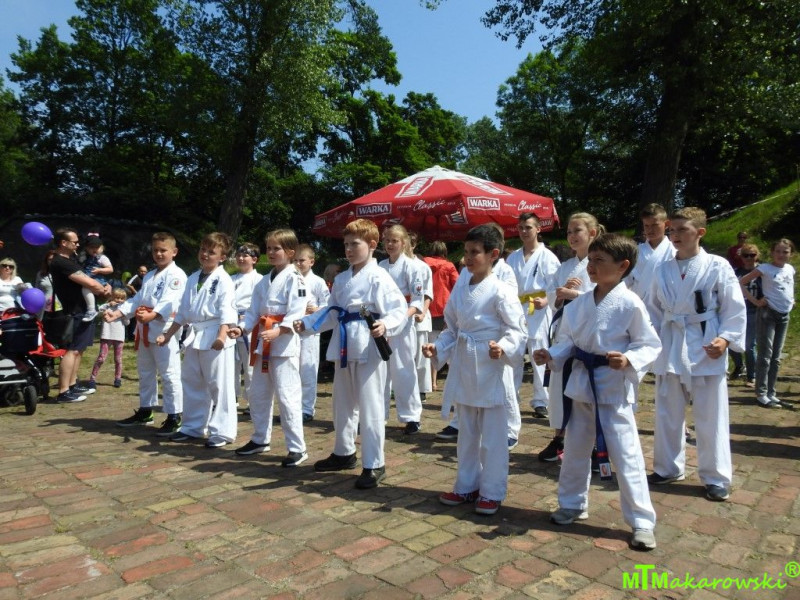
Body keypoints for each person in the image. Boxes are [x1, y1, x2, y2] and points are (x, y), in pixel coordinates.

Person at [534, 234, 661, 550]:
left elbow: (648, 343)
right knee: (575, 450)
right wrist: (551, 354)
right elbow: (567, 341)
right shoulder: (579, 304)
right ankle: (572, 503)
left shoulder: (630, 303)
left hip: (612, 388)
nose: (591, 266)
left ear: (622, 266)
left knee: (626, 455)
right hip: (581, 385)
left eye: (599, 260)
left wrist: (629, 359)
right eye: (590, 260)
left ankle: (642, 521)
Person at [294, 218, 407, 489]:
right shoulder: (342, 279)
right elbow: (332, 312)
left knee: (370, 405)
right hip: (344, 343)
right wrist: (307, 324)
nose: (349, 249)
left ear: (372, 244)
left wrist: (386, 324)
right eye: (346, 244)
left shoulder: (379, 276)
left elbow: (399, 309)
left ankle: (374, 463)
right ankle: (344, 451)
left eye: (354, 244)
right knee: (342, 403)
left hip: (369, 343)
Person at [423, 224, 527, 516]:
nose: (468, 258)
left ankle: (492, 491)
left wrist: (503, 347)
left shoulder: (502, 290)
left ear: (493, 254)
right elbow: (452, 328)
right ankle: (466, 485)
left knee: (493, 437)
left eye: (475, 252)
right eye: (466, 252)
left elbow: (517, 330)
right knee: (467, 434)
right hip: (465, 366)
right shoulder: (461, 288)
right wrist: (437, 347)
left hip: (491, 365)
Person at [648, 207, 745, 502]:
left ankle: (715, 476)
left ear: (700, 232)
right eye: (672, 230)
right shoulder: (662, 268)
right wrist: (650, 342)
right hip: (671, 342)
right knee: (667, 412)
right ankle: (668, 467)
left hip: (705, 344)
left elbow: (733, 306)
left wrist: (725, 339)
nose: (675, 235)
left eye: (682, 230)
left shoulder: (717, 265)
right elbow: (653, 309)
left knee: (710, 415)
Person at [229, 230, 308, 466]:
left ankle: (297, 448)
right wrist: (242, 328)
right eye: (269, 248)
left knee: (287, 396)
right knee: (258, 394)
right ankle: (260, 439)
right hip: (263, 343)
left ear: (290, 252)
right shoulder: (264, 281)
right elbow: (253, 311)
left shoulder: (296, 279)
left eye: (277, 248)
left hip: (284, 346)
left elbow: (297, 311)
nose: (271, 252)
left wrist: (280, 330)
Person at [157, 232, 238, 448]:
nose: (205, 255)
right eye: (203, 250)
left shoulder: (224, 279)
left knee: (219, 385)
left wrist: (222, 336)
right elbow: (183, 312)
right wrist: (168, 334)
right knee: (192, 381)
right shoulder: (193, 278)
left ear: (222, 257)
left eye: (212, 252)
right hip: (195, 335)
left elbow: (227, 311)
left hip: (215, 334)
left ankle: (222, 432)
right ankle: (192, 427)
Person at [537, 213, 602, 462]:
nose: (572, 236)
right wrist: (561, 293)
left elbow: (606, 297)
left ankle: (595, 444)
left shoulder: (602, 262)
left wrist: (574, 294)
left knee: (586, 389)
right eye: (569, 232)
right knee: (559, 388)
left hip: (589, 334)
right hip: (565, 332)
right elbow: (552, 297)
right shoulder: (565, 266)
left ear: (592, 233)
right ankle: (559, 438)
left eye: (577, 231)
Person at [108, 232, 187, 433]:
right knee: (145, 372)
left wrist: (153, 315)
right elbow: (137, 300)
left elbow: (170, 300)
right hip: (145, 329)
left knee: (169, 373)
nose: (159, 254)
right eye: (155, 250)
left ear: (174, 252)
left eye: (163, 250)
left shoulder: (177, 275)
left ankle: (174, 415)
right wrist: (118, 312)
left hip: (165, 329)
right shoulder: (150, 275)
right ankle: (146, 410)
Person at [506, 212, 560, 420]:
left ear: (538, 229)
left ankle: (541, 400)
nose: (524, 231)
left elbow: (555, 285)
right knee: (514, 353)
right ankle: (511, 397)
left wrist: (546, 300)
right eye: (520, 228)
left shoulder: (548, 257)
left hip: (538, 309)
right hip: (516, 308)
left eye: (528, 227)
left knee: (539, 352)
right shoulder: (513, 257)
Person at [50, 228, 112, 403]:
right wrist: (102, 289)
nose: (78, 245)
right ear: (63, 243)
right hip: (75, 311)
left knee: (80, 349)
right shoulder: (61, 262)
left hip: (84, 310)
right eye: (75, 242)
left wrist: (106, 285)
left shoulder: (73, 259)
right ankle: (63, 391)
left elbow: (95, 280)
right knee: (72, 350)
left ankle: (72, 385)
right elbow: (89, 282)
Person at [379, 225, 424, 434]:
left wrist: (402, 317)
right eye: (387, 240)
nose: (390, 244)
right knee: (380, 371)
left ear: (403, 243)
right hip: (381, 322)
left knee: (404, 369)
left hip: (403, 324)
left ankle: (411, 416)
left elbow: (417, 300)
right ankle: (378, 415)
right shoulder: (380, 266)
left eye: (394, 240)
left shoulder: (412, 266)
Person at [739, 238, 795, 407]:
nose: (781, 255)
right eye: (777, 251)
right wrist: (756, 302)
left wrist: (791, 300)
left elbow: (788, 287)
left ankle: (772, 392)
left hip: (784, 315)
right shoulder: (765, 268)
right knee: (765, 355)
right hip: (767, 314)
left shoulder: (790, 269)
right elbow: (741, 282)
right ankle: (761, 393)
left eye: (785, 252)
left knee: (776, 357)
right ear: (772, 253)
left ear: (791, 254)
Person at [293, 244, 330, 422]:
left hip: (310, 331)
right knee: (292, 370)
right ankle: (293, 408)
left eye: (302, 260)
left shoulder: (318, 282)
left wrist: (316, 310)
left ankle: (307, 408)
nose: (298, 264)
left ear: (311, 262)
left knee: (308, 369)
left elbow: (328, 305)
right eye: (295, 260)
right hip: (291, 329)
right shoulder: (291, 279)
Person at [625, 203, 675, 314]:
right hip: (639, 308)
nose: (650, 230)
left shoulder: (674, 251)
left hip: (667, 309)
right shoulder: (635, 252)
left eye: (654, 225)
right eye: (646, 226)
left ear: (666, 224)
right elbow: (625, 281)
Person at [423, 241, 458, 396]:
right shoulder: (449, 266)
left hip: (427, 308)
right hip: (445, 308)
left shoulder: (423, 264)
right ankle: (452, 379)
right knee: (449, 344)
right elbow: (457, 286)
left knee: (430, 345)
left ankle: (432, 381)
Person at [230, 243, 263, 411]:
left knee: (250, 366)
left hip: (249, 325)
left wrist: (246, 318)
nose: (241, 258)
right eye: (239, 255)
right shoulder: (230, 279)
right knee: (231, 365)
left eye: (245, 256)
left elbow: (259, 304)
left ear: (254, 259)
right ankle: (231, 397)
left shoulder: (259, 280)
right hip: (231, 324)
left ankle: (252, 400)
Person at [730, 243, 762, 385]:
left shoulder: (762, 272)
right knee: (731, 341)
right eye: (745, 255)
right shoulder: (736, 272)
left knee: (749, 345)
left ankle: (751, 375)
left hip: (754, 311)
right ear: (741, 257)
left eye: (752, 255)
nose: (749, 258)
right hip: (737, 311)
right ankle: (739, 365)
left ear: (757, 256)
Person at [408, 232, 434, 403]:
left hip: (418, 315)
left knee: (420, 355)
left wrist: (423, 312)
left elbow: (427, 293)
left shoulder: (422, 266)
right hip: (399, 315)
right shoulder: (387, 265)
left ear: (413, 245)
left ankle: (422, 388)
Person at [88, 288, 129, 389]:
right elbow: (99, 311)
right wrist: (108, 305)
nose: (119, 300)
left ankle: (118, 378)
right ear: (112, 297)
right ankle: (92, 378)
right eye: (117, 297)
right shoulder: (106, 306)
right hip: (106, 335)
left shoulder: (123, 309)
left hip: (119, 336)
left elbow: (127, 323)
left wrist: (123, 315)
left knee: (118, 359)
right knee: (101, 358)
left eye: (122, 298)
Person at [80, 236, 113, 322]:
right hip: (88, 278)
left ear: (102, 248)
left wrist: (99, 270)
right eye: (91, 247)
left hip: (98, 280)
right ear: (87, 248)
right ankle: (97, 308)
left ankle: (91, 309)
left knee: (85, 288)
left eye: (97, 247)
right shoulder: (85, 257)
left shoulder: (102, 258)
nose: (94, 249)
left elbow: (110, 269)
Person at [34, 250, 59, 320]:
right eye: (50, 260)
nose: (52, 262)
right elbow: (36, 291)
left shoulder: (63, 273)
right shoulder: (41, 274)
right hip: (44, 308)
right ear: (46, 261)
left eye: (54, 259)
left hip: (59, 308)